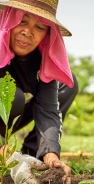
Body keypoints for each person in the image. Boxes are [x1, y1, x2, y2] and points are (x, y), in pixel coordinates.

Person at [0, 0, 78, 183]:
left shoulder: (43, 62)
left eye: (40, 27)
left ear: (47, 34)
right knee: (14, 96)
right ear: (9, 19)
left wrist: (52, 157)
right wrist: (8, 157)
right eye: (22, 21)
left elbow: (48, 110)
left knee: (67, 82)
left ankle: (32, 155)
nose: (28, 31)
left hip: (16, 115)